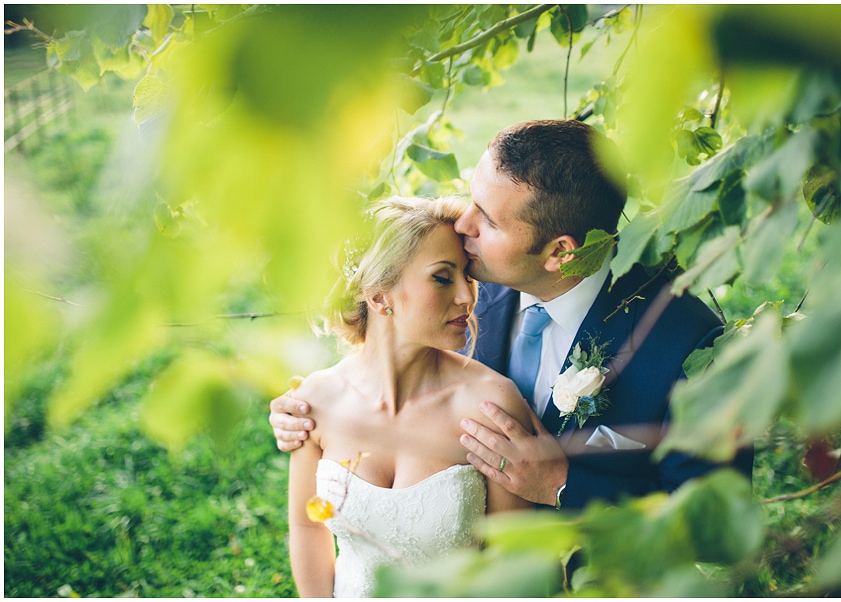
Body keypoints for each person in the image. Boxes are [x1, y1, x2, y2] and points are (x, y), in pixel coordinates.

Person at [272, 119, 753, 512]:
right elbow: (386, 370)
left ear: (560, 253)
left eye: (488, 218)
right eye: (471, 198)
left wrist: (563, 485)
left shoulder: (690, 346)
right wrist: (310, 412)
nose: (462, 224)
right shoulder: (459, 296)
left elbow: (719, 526)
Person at [286, 196, 531, 598]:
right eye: (442, 277)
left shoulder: (490, 404)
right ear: (380, 296)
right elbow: (305, 525)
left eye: (467, 277)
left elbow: (513, 560)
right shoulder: (314, 402)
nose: (468, 297)